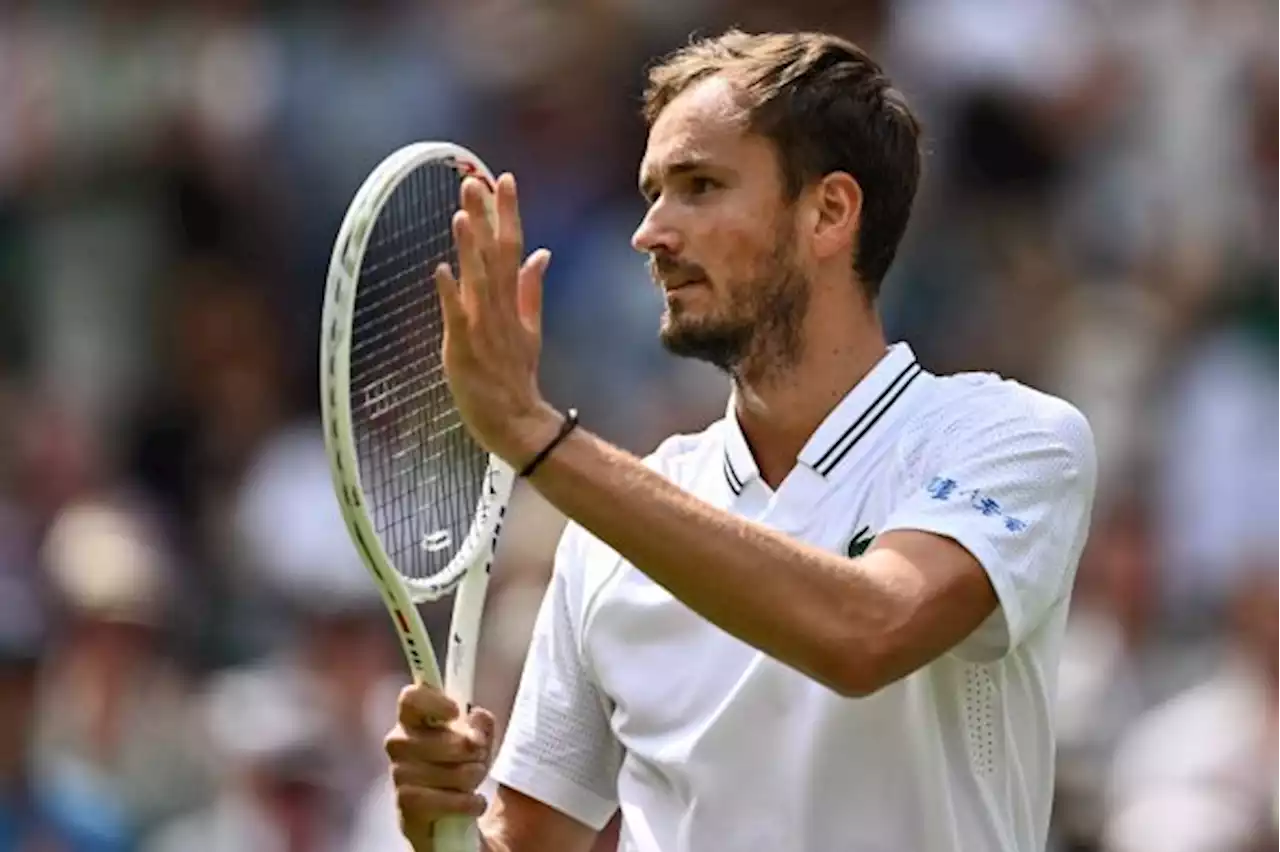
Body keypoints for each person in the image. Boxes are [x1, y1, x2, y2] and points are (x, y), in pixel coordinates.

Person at [384, 28, 1098, 852]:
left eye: (699, 186)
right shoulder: (608, 536)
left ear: (829, 211)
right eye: (652, 193)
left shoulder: (1011, 438)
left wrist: (535, 436)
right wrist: (441, 826)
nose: (650, 234)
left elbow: (867, 632)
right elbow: (527, 842)